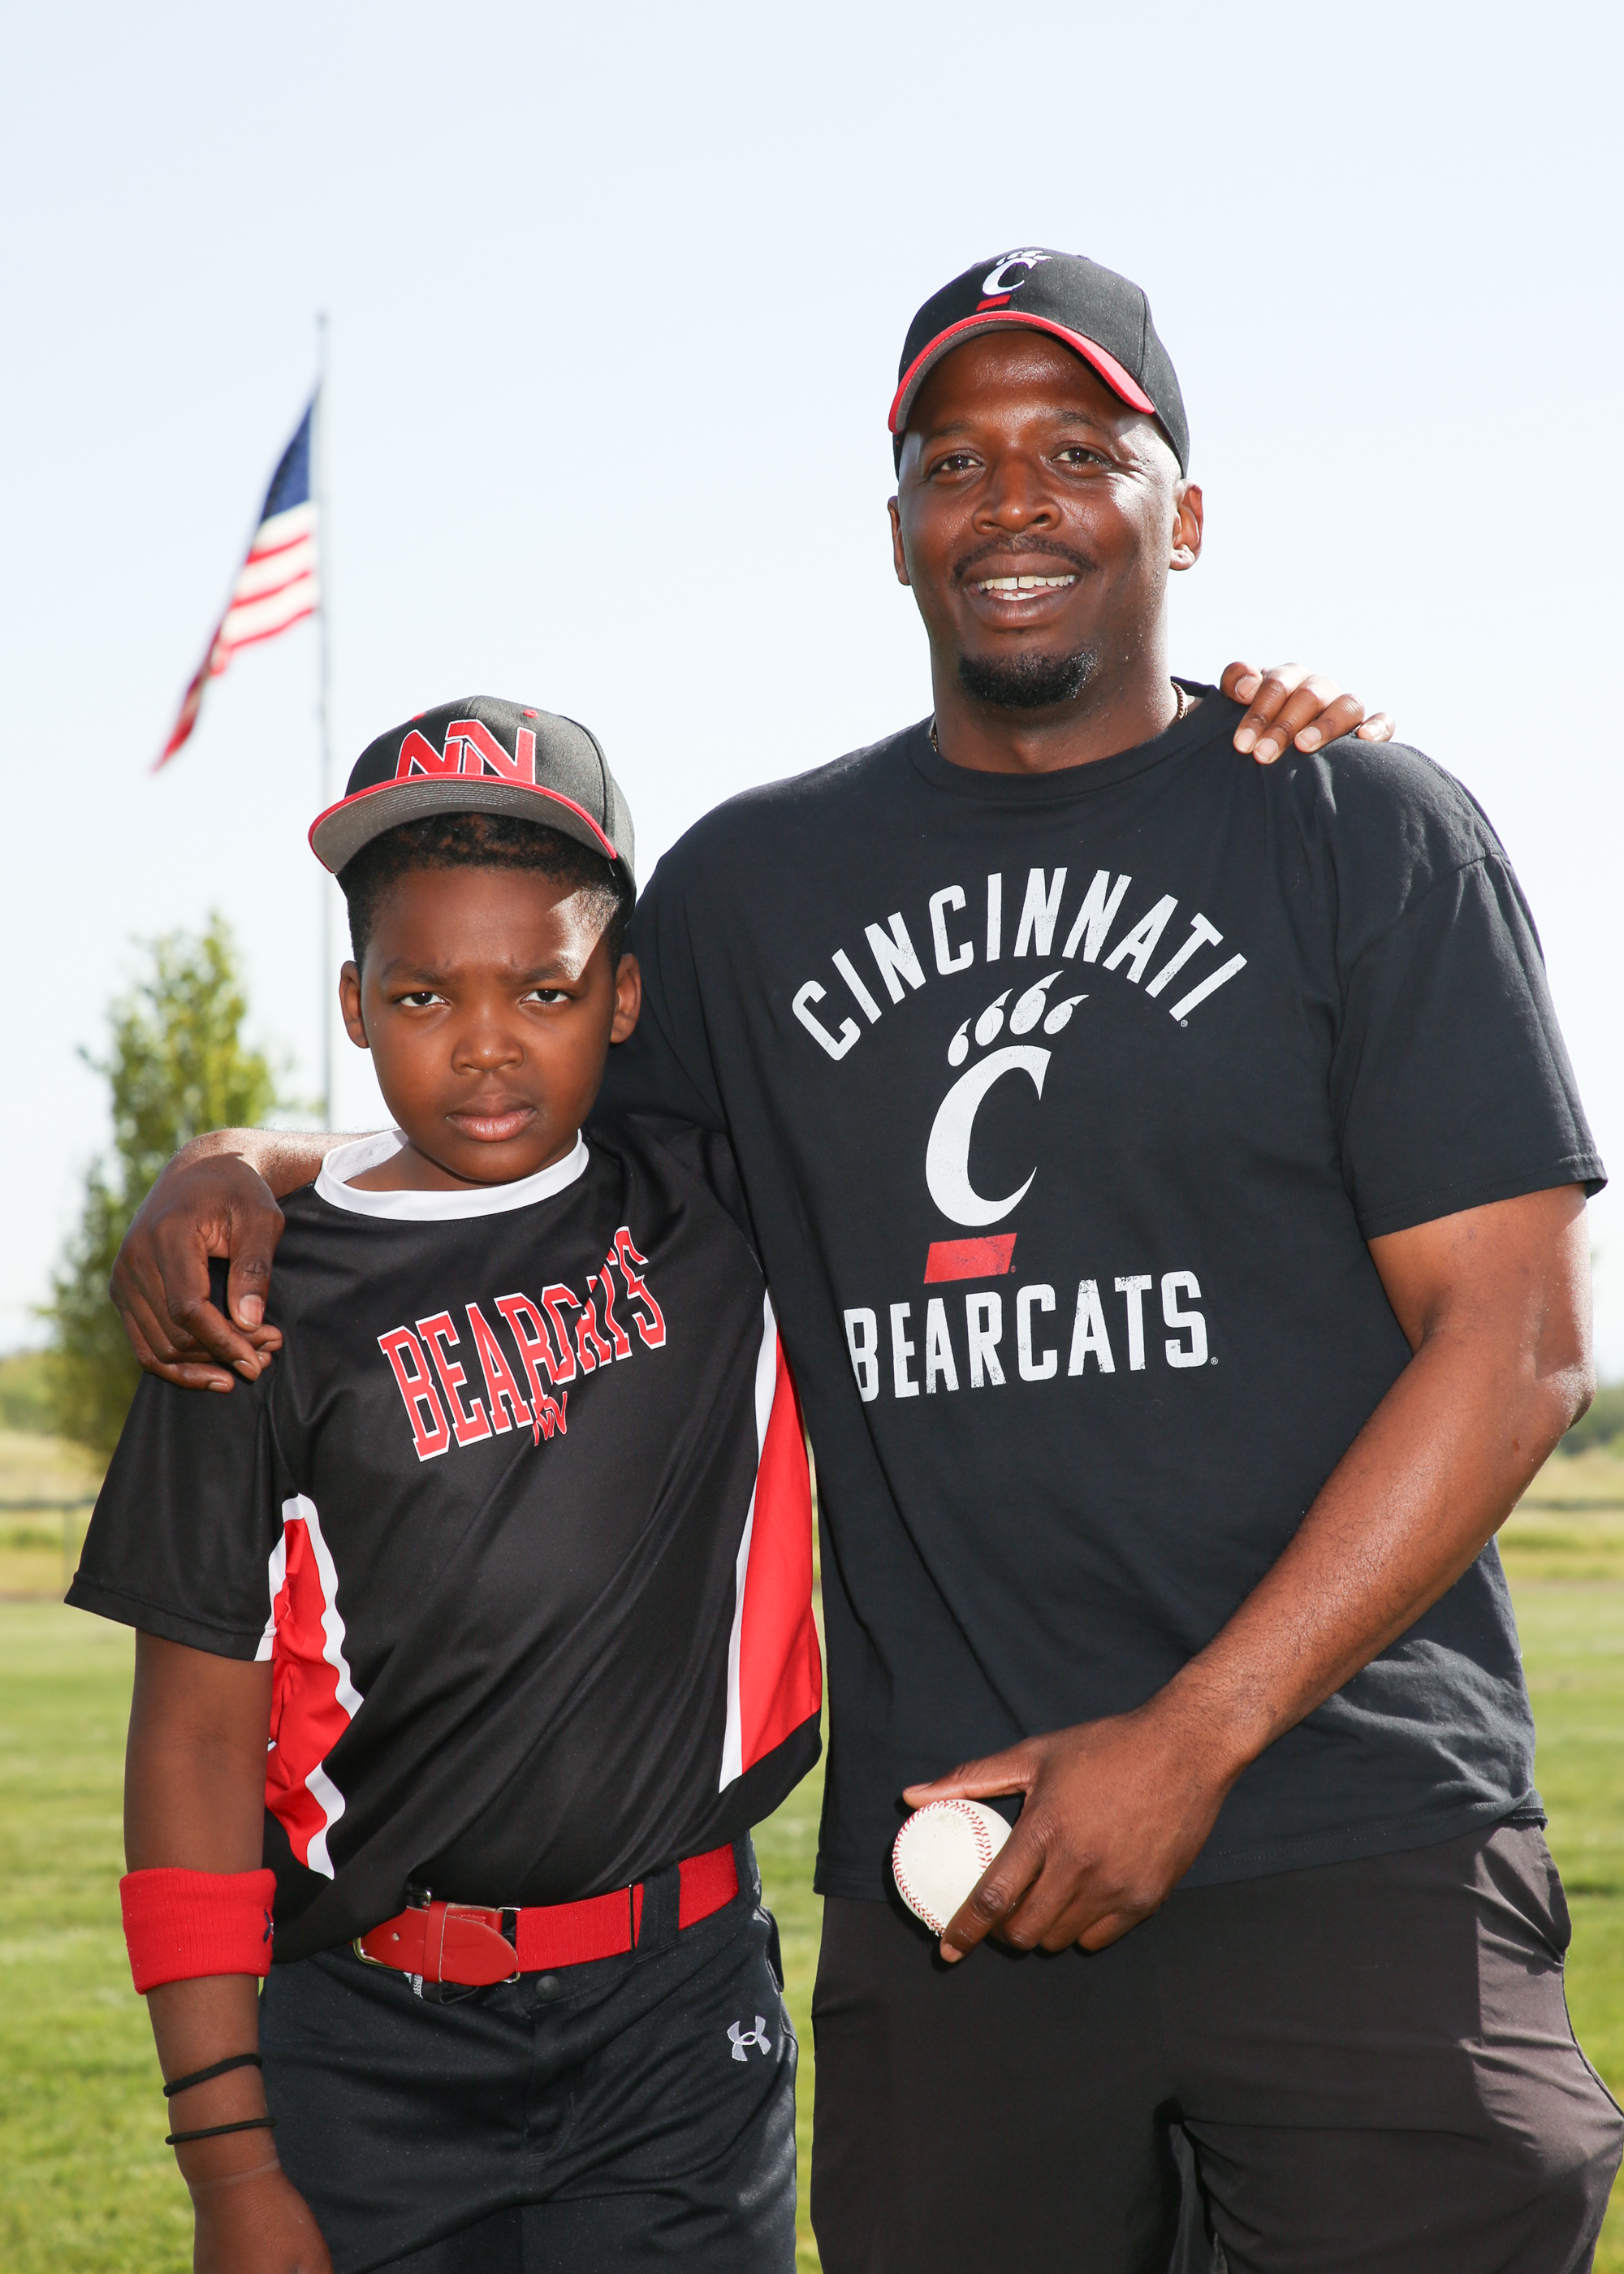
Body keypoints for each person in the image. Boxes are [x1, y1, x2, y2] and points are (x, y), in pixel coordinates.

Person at [104, 247, 1604, 2274]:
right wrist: (243, 1154)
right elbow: (517, 1100)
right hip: (951, 1880)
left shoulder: (1357, 827)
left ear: (1184, 511)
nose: (1013, 500)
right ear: (894, 526)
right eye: (953, 460)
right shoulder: (751, 891)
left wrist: (1193, 1736)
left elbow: (1515, 1343)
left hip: (1353, 1827)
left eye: (1078, 450)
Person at [71, 699, 823, 2273]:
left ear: (624, 996)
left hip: (678, 2025)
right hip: (370, 2036)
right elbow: (193, 1738)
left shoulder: (721, 1202)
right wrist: (226, 2159)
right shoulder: (249, 1299)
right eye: (423, 994)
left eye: (544, 988)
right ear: (354, 1002)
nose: (486, 1042)